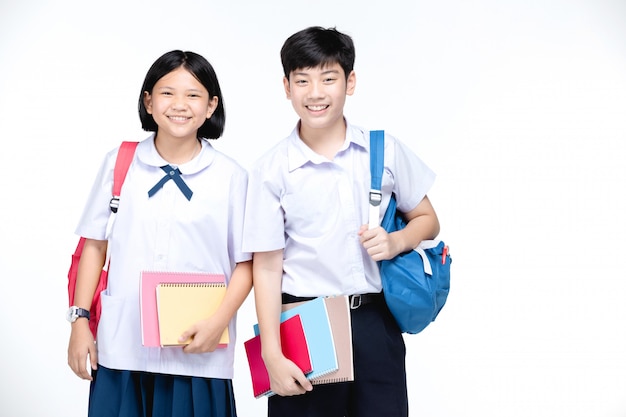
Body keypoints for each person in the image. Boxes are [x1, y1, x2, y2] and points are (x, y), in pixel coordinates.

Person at [242, 26, 440, 417]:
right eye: (302, 80)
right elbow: (265, 267)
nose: (315, 92)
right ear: (287, 86)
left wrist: (397, 241)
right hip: (304, 323)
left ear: (349, 82)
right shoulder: (271, 170)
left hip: (373, 321)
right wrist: (271, 352)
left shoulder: (382, 151)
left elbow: (428, 219)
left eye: (328, 78)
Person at [67, 50, 252, 417]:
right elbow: (94, 246)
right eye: (167, 93)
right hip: (122, 349)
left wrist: (217, 324)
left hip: (198, 355)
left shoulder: (232, 177)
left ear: (211, 105)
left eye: (193, 95)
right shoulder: (120, 163)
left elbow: (247, 263)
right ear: (148, 102)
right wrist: (79, 321)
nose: (179, 105)